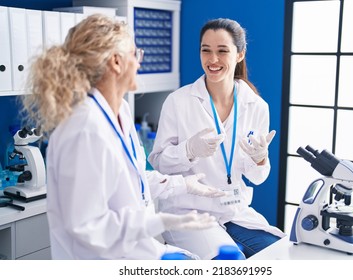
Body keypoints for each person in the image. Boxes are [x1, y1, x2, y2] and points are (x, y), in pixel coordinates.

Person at [19, 14, 223, 260]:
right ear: (116, 62)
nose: (139, 63)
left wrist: (181, 184)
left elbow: (127, 181)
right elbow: (87, 226)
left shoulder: (121, 113)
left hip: (135, 252)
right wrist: (157, 222)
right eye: (135, 55)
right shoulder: (84, 129)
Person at [148, 18, 286, 260]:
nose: (212, 60)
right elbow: (159, 162)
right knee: (232, 263)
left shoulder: (257, 106)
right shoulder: (178, 101)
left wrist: (260, 159)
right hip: (188, 210)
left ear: (240, 54)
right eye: (206, 50)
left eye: (222, 51)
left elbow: (257, 177)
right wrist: (189, 150)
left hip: (235, 210)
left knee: (281, 256)